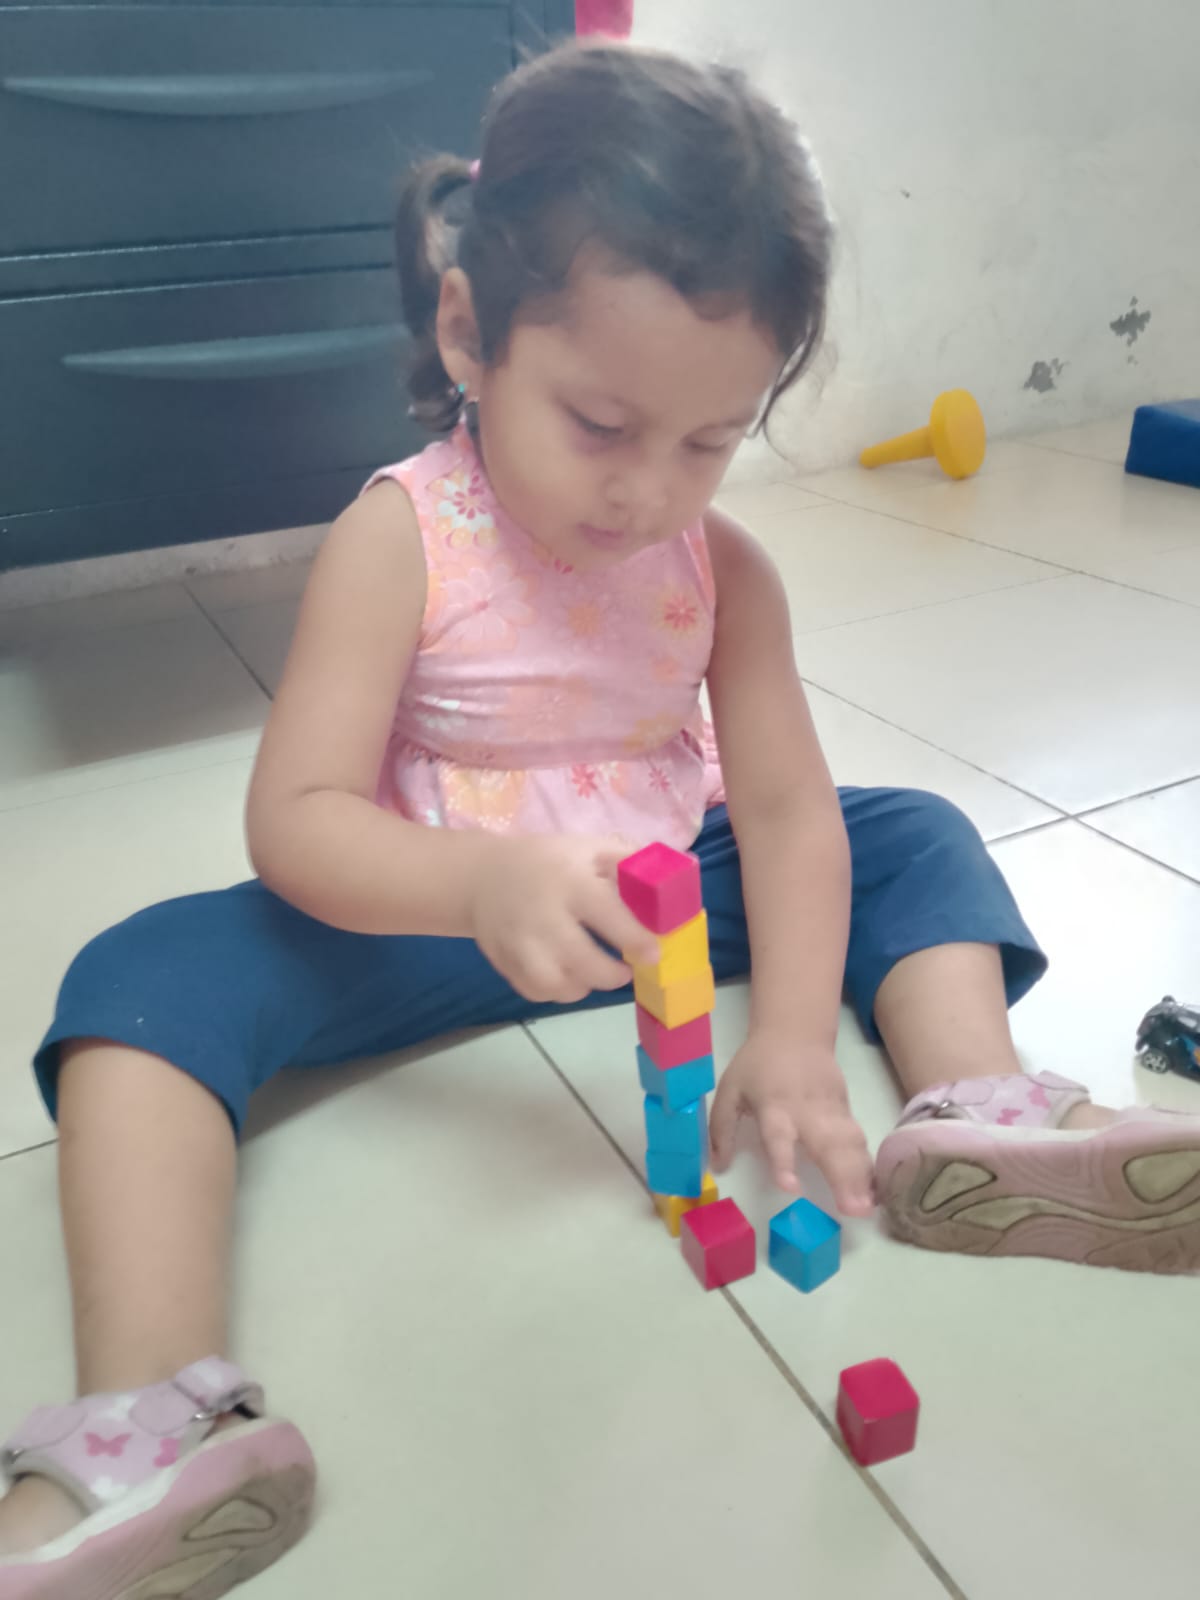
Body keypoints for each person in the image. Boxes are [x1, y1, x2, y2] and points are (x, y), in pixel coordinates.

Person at [3, 38, 1197, 1600]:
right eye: (601, 424)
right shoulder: (400, 539)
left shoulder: (727, 571)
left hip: (671, 893)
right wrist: (476, 883)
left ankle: (978, 1111)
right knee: (137, 982)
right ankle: (156, 1422)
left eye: (710, 441)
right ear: (469, 332)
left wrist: (787, 1041)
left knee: (906, 831)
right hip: (432, 911)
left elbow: (787, 808)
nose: (650, 493)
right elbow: (294, 820)